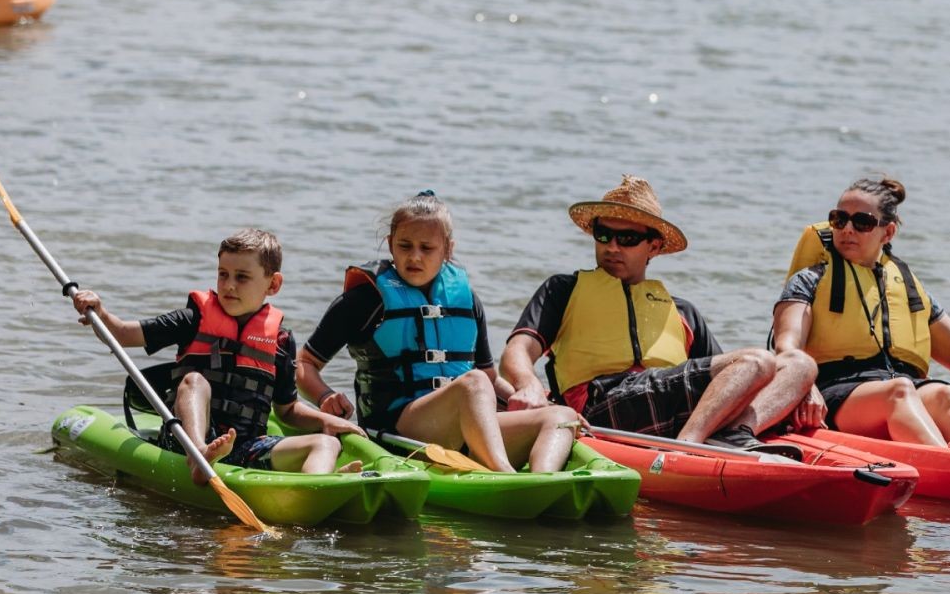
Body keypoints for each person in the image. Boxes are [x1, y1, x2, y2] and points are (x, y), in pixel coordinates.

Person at [500, 175, 815, 450]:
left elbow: (731, 379)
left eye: (627, 239)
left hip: (670, 407)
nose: (612, 247)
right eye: (603, 235)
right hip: (603, 406)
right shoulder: (564, 289)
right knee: (757, 361)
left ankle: (736, 431)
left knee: (800, 365)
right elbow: (517, 351)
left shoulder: (683, 312)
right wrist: (527, 382)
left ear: (653, 247)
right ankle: (689, 446)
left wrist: (802, 392)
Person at [300, 191, 580, 475]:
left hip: (464, 428)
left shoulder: (467, 300)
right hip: (401, 430)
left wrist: (536, 404)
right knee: (473, 382)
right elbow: (305, 364)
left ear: (448, 249)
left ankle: (544, 480)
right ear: (390, 245)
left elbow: (491, 379)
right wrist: (325, 396)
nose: (415, 256)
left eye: (427, 248)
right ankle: (503, 474)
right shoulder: (366, 299)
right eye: (405, 246)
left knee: (562, 417)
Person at [772, 176, 950, 451]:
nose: (847, 229)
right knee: (898, 391)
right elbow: (787, 346)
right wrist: (804, 387)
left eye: (861, 222)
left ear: (887, 233)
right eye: (839, 219)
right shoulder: (809, 281)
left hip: (904, 386)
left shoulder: (907, 286)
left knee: (947, 393)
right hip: (836, 391)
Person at [70, 229, 360, 482]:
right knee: (194, 380)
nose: (229, 285)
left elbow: (287, 410)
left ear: (272, 284)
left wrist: (324, 420)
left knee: (326, 444)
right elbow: (123, 334)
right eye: (223, 274)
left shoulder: (281, 340)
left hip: (247, 447)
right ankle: (199, 458)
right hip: (184, 441)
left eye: (242, 277)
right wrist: (100, 312)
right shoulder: (193, 318)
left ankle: (317, 485)